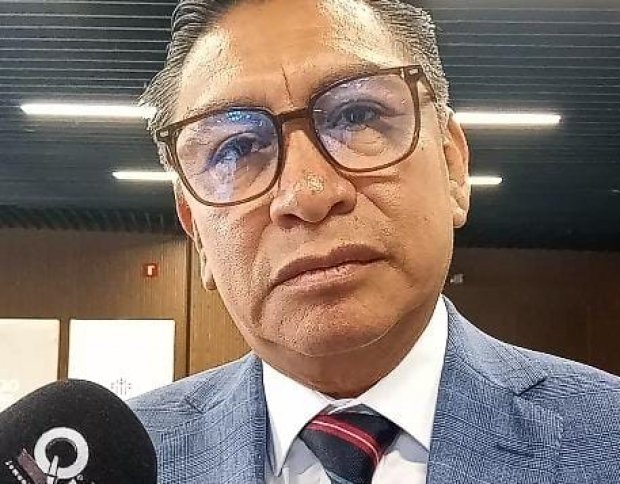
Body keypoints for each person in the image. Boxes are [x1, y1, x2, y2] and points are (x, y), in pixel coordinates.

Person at [128, 1, 620, 482]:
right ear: (196, 231)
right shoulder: (119, 460)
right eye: (237, 148)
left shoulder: (606, 436)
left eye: (356, 116)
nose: (308, 194)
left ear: (452, 167)